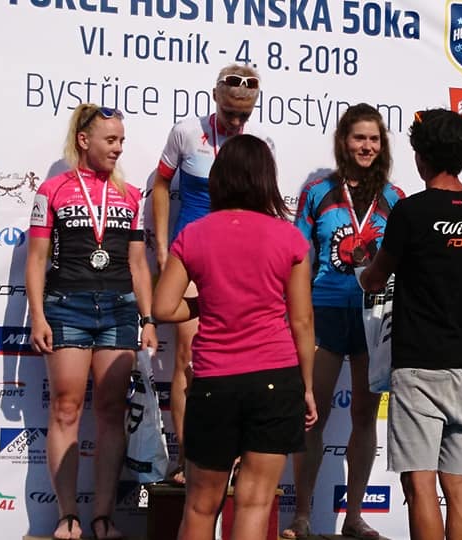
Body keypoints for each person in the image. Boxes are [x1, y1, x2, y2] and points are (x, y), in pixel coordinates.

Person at [152, 134, 317, 540]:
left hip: (215, 381)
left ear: (219, 178)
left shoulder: (194, 234)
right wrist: (308, 388)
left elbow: (163, 308)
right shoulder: (289, 237)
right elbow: (302, 322)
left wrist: (205, 303)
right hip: (276, 379)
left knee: (199, 505)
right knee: (255, 503)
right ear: (266, 179)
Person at [359, 108, 462, 540]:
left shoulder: (411, 212)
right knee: (457, 486)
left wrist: (362, 266)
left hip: (419, 361)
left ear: (422, 155)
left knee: (419, 484)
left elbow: (375, 279)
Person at [26, 103, 158, 540]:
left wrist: (148, 319)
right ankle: (67, 515)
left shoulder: (131, 194)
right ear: (84, 140)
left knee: (111, 411)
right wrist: (38, 316)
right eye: (111, 140)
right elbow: (36, 260)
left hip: (119, 308)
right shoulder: (52, 190)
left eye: (122, 141)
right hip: (67, 305)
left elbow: (138, 264)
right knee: (66, 408)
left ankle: (103, 516)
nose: (119, 148)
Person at [282, 103, 404, 540]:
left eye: (374, 139)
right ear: (343, 142)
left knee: (364, 417)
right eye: (359, 138)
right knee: (311, 415)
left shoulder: (395, 197)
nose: (367, 146)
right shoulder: (318, 192)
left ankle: (354, 517)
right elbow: (299, 257)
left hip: (374, 316)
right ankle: (301, 515)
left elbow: (403, 261)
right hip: (325, 311)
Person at [152, 64, 275, 485]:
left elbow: (263, 204)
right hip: (191, 254)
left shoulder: (261, 143)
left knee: (236, 359)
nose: (237, 122)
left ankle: (231, 456)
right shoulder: (187, 132)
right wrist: (162, 247)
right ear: (215, 99)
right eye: (229, 113)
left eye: (244, 115)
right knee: (187, 359)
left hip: (237, 259)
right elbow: (161, 186)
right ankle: (188, 457)